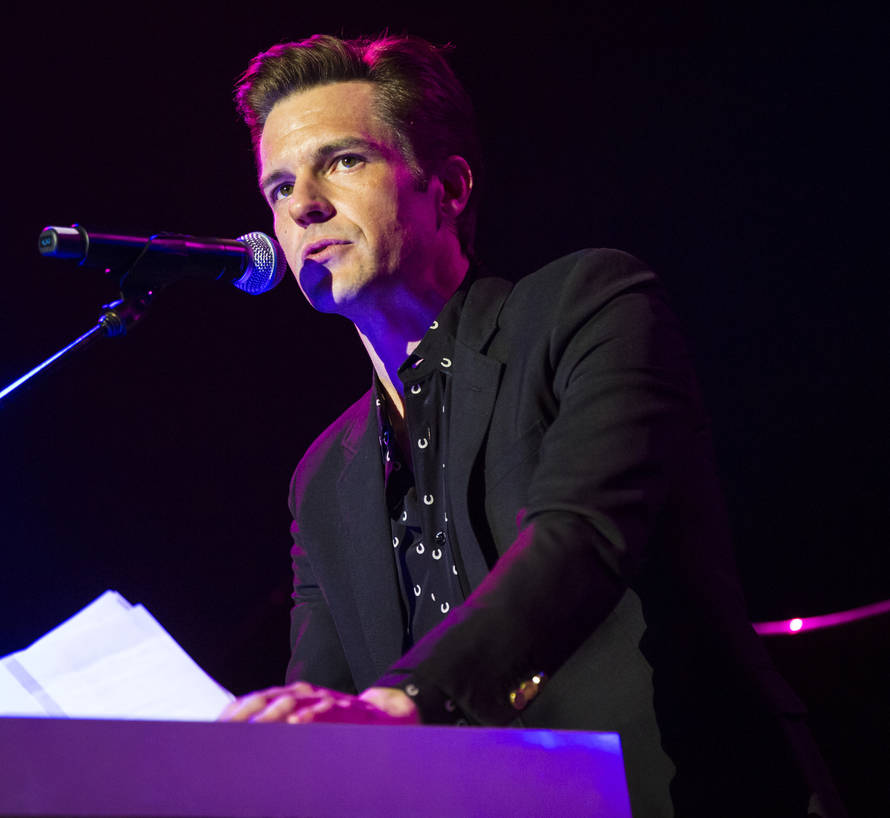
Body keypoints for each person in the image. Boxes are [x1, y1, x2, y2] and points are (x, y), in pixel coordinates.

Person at [219, 33, 842, 817]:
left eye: (342, 161)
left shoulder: (586, 306)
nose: (303, 203)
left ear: (447, 188)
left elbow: (582, 535)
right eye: (278, 186)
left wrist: (405, 701)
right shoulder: (322, 477)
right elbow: (323, 704)